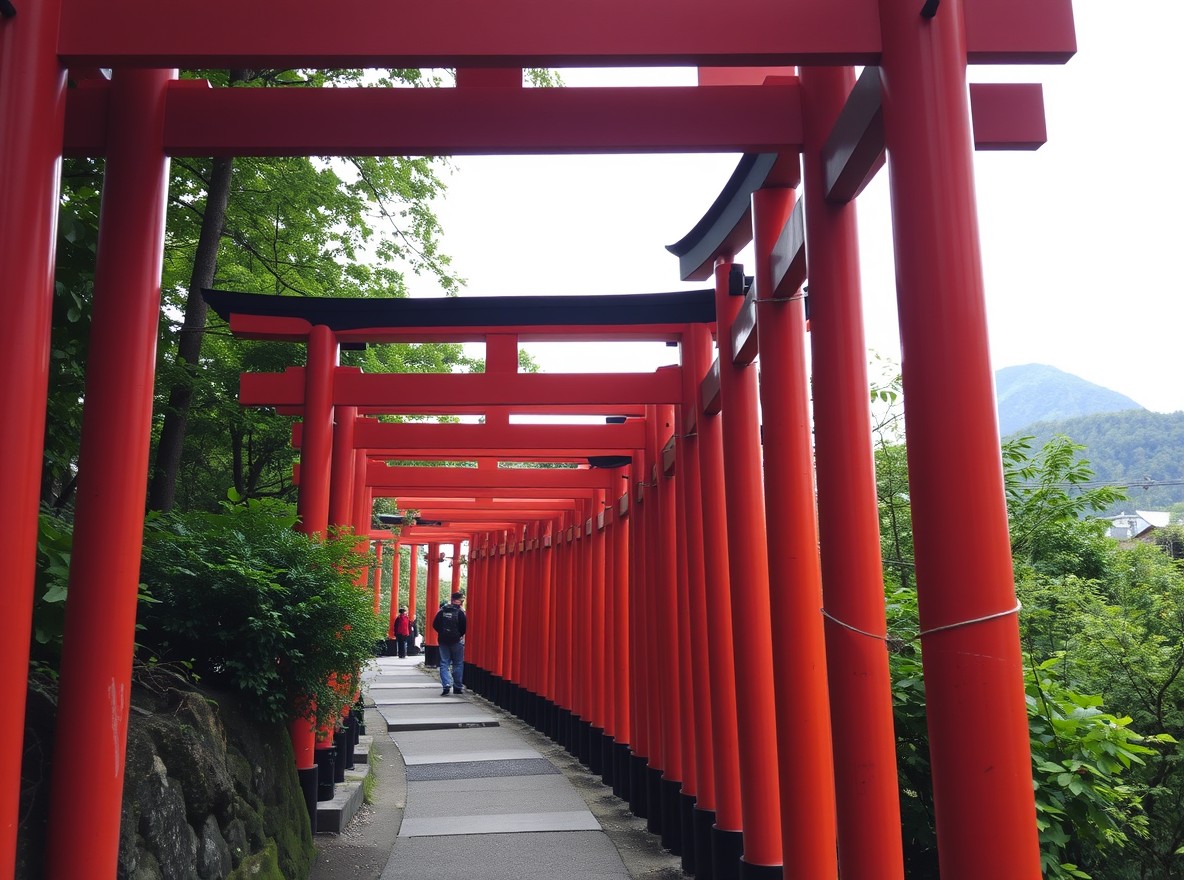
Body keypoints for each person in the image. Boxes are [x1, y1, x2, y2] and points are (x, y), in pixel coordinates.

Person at [432, 591, 467, 696]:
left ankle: (446, 683)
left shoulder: (442, 610)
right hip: (456, 641)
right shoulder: (460, 612)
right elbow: (464, 627)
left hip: (443, 641)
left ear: (451, 599)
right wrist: (458, 635)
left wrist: (442, 633)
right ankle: (457, 687)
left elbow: (435, 624)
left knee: (444, 663)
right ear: (461, 601)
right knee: (458, 663)